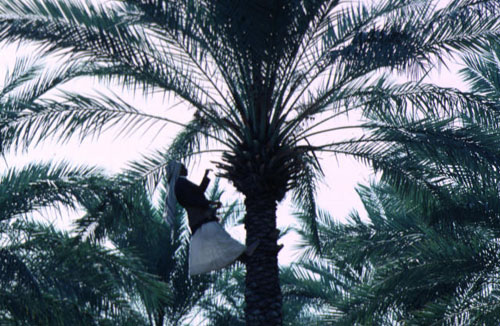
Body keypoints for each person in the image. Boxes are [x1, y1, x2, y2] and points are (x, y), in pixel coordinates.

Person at [164, 162, 258, 276]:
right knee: (222, 238)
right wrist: (208, 206)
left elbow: (197, 194)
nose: (186, 168)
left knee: (219, 240)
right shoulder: (180, 183)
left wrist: (206, 179)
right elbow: (194, 199)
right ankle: (245, 255)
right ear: (177, 170)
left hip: (197, 221)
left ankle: (244, 257)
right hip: (201, 219)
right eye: (183, 167)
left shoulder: (179, 184)